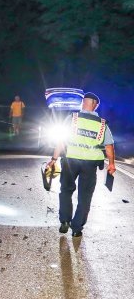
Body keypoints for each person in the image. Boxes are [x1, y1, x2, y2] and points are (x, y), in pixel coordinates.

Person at [45, 92, 115, 237]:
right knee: (85, 196)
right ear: (96, 105)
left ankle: (64, 221)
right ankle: (77, 228)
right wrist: (112, 164)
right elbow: (109, 147)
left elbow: (61, 141)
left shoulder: (72, 118)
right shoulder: (102, 124)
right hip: (90, 165)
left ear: (83, 103)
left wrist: (53, 158)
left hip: (70, 160)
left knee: (65, 190)